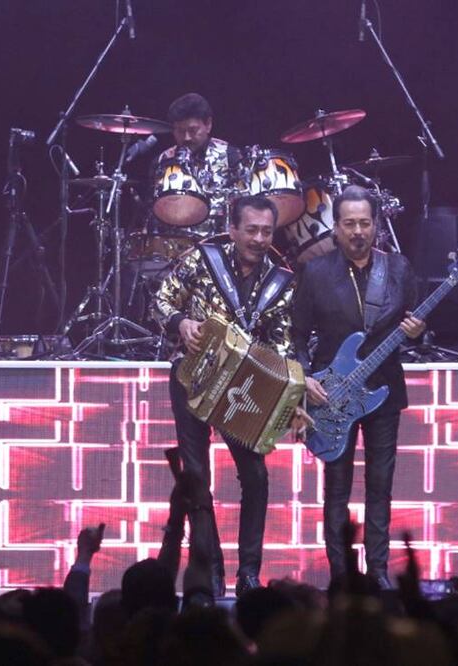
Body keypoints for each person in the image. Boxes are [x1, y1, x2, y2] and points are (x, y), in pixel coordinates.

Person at [152, 194, 296, 597]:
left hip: (244, 392)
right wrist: (181, 322)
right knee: (197, 479)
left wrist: (284, 393)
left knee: (257, 476)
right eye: (250, 230)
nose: (258, 238)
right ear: (232, 229)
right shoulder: (202, 259)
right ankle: (209, 570)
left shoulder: (281, 280)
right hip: (192, 380)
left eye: (266, 231)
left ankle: (248, 573)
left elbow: (283, 346)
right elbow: (161, 299)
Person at [289, 185, 425, 590]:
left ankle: (379, 572)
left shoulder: (398, 268)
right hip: (331, 395)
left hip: (384, 392)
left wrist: (417, 333)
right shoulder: (315, 272)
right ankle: (341, 575)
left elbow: (415, 330)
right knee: (337, 489)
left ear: (376, 225)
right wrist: (304, 379)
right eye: (349, 223)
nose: (357, 231)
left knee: (380, 486)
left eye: (365, 223)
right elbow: (296, 335)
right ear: (336, 227)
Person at [155, 92, 242, 235]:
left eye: (192, 130)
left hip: (220, 243)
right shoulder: (163, 161)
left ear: (208, 124)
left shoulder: (230, 156)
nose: (186, 137)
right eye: (180, 131)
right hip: (173, 244)